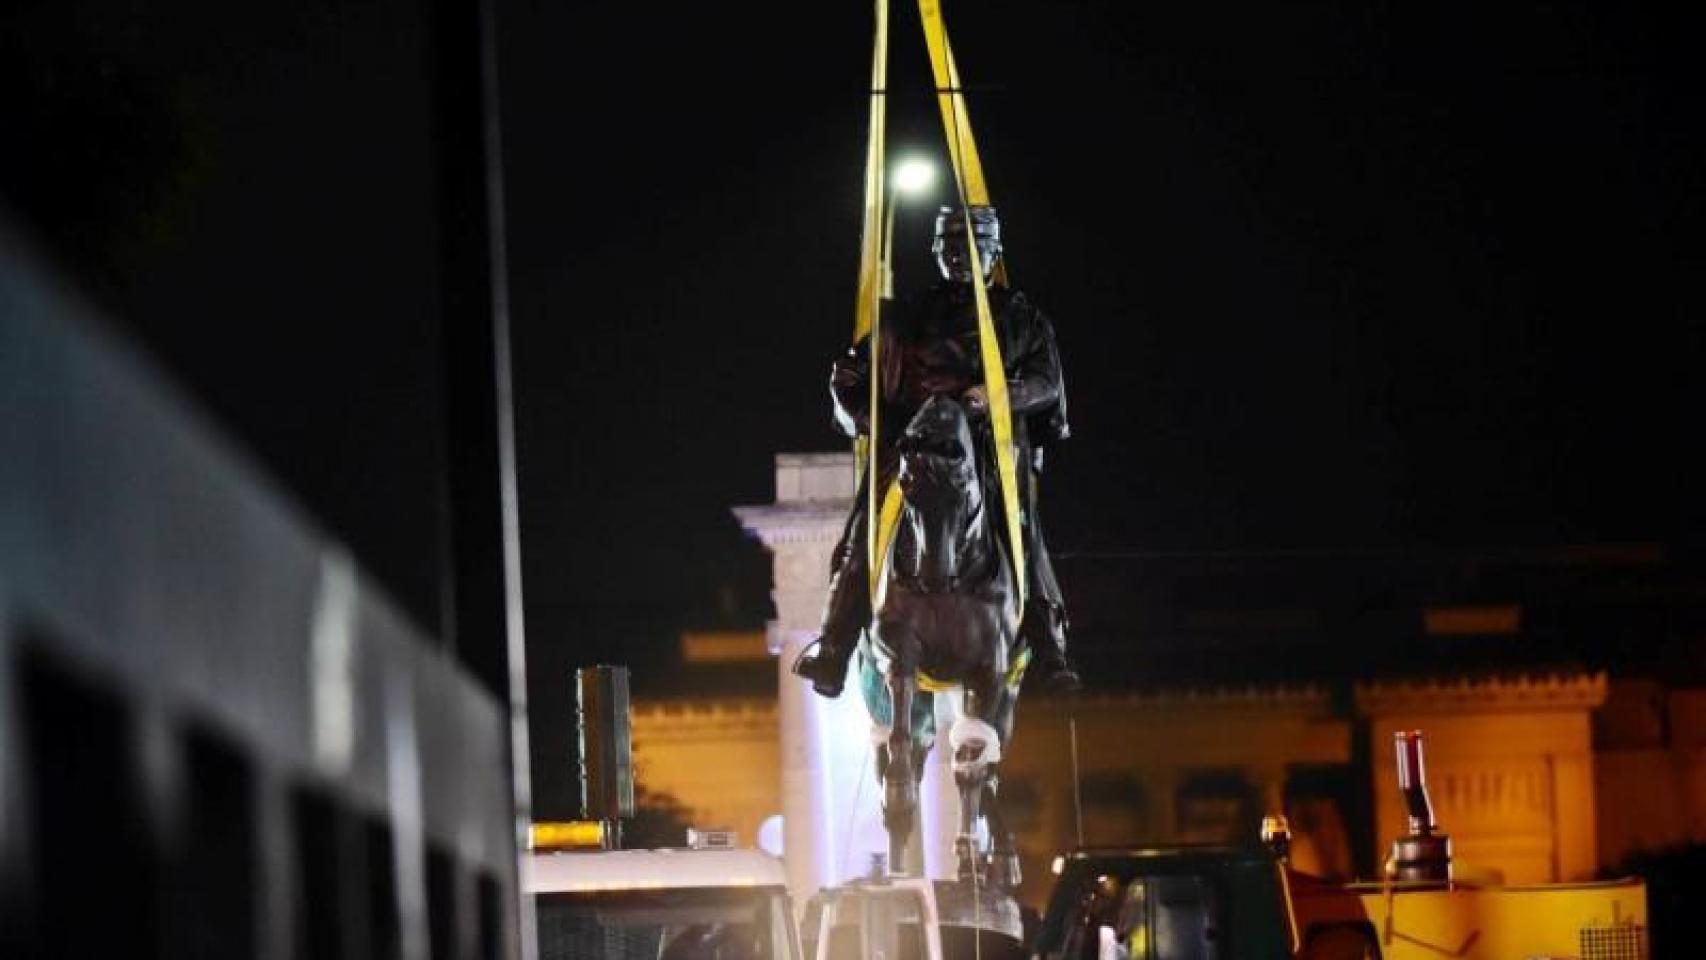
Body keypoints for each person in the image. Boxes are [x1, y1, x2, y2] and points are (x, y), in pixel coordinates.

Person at [791, 204, 1079, 698]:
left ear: (993, 253)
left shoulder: (1020, 318)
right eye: (949, 248)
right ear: (936, 253)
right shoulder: (903, 317)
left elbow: (1046, 382)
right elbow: (848, 378)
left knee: (1024, 535)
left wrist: (991, 397)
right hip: (909, 450)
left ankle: (1048, 643)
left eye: (971, 248)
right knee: (864, 534)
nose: (960, 258)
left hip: (985, 455)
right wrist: (878, 424)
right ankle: (834, 648)